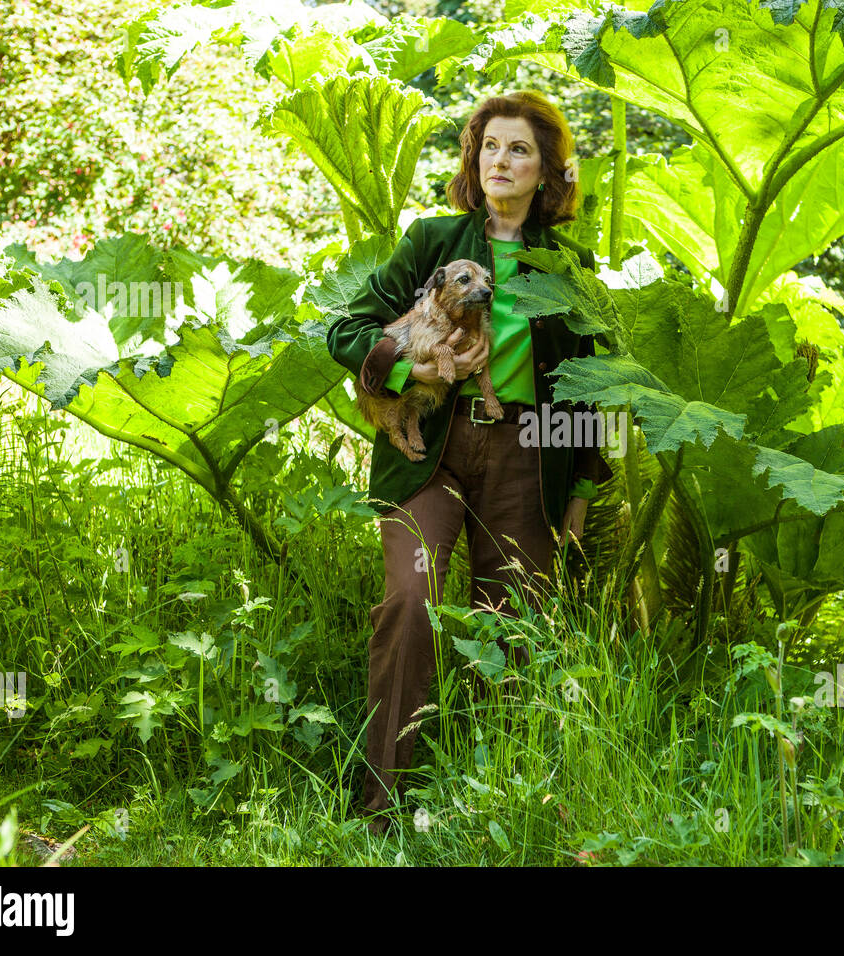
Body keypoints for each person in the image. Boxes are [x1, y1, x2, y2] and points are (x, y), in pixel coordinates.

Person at [325, 90, 613, 832]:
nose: (500, 161)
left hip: (529, 456)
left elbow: (589, 383)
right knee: (411, 601)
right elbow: (347, 330)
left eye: (519, 149)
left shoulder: (568, 264)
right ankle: (383, 808)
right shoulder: (433, 239)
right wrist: (405, 374)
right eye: (489, 146)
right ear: (472, 159)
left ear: (548, 168)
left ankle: (489, 805)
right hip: (430, 453)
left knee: (511, 625)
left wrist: (582, 487)